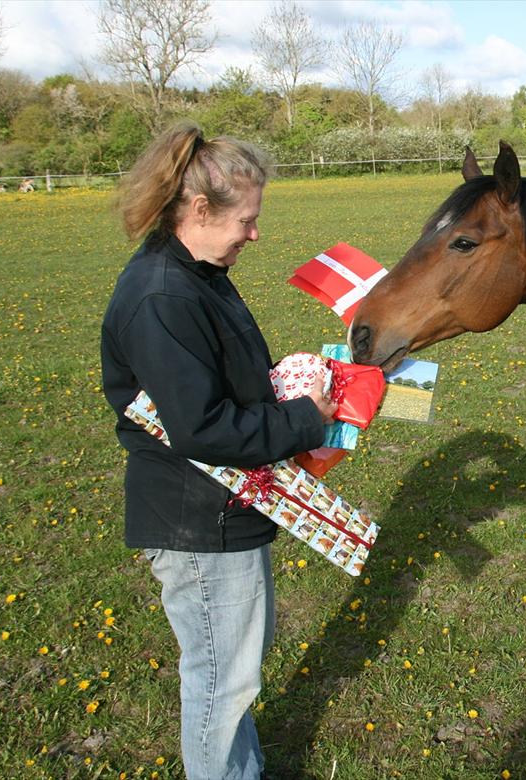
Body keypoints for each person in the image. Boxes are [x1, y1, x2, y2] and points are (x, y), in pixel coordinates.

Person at [100, 122, 335, 779]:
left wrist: (286, 384)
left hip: (221, 508)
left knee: (231, 675)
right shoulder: (163, 296)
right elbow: (202, 428)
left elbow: (220, 385)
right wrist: (302, 421)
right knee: (218, 683)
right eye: (248, 220)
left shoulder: (196, 273)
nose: (255, 234)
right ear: (200, 210)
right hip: (198, 519)